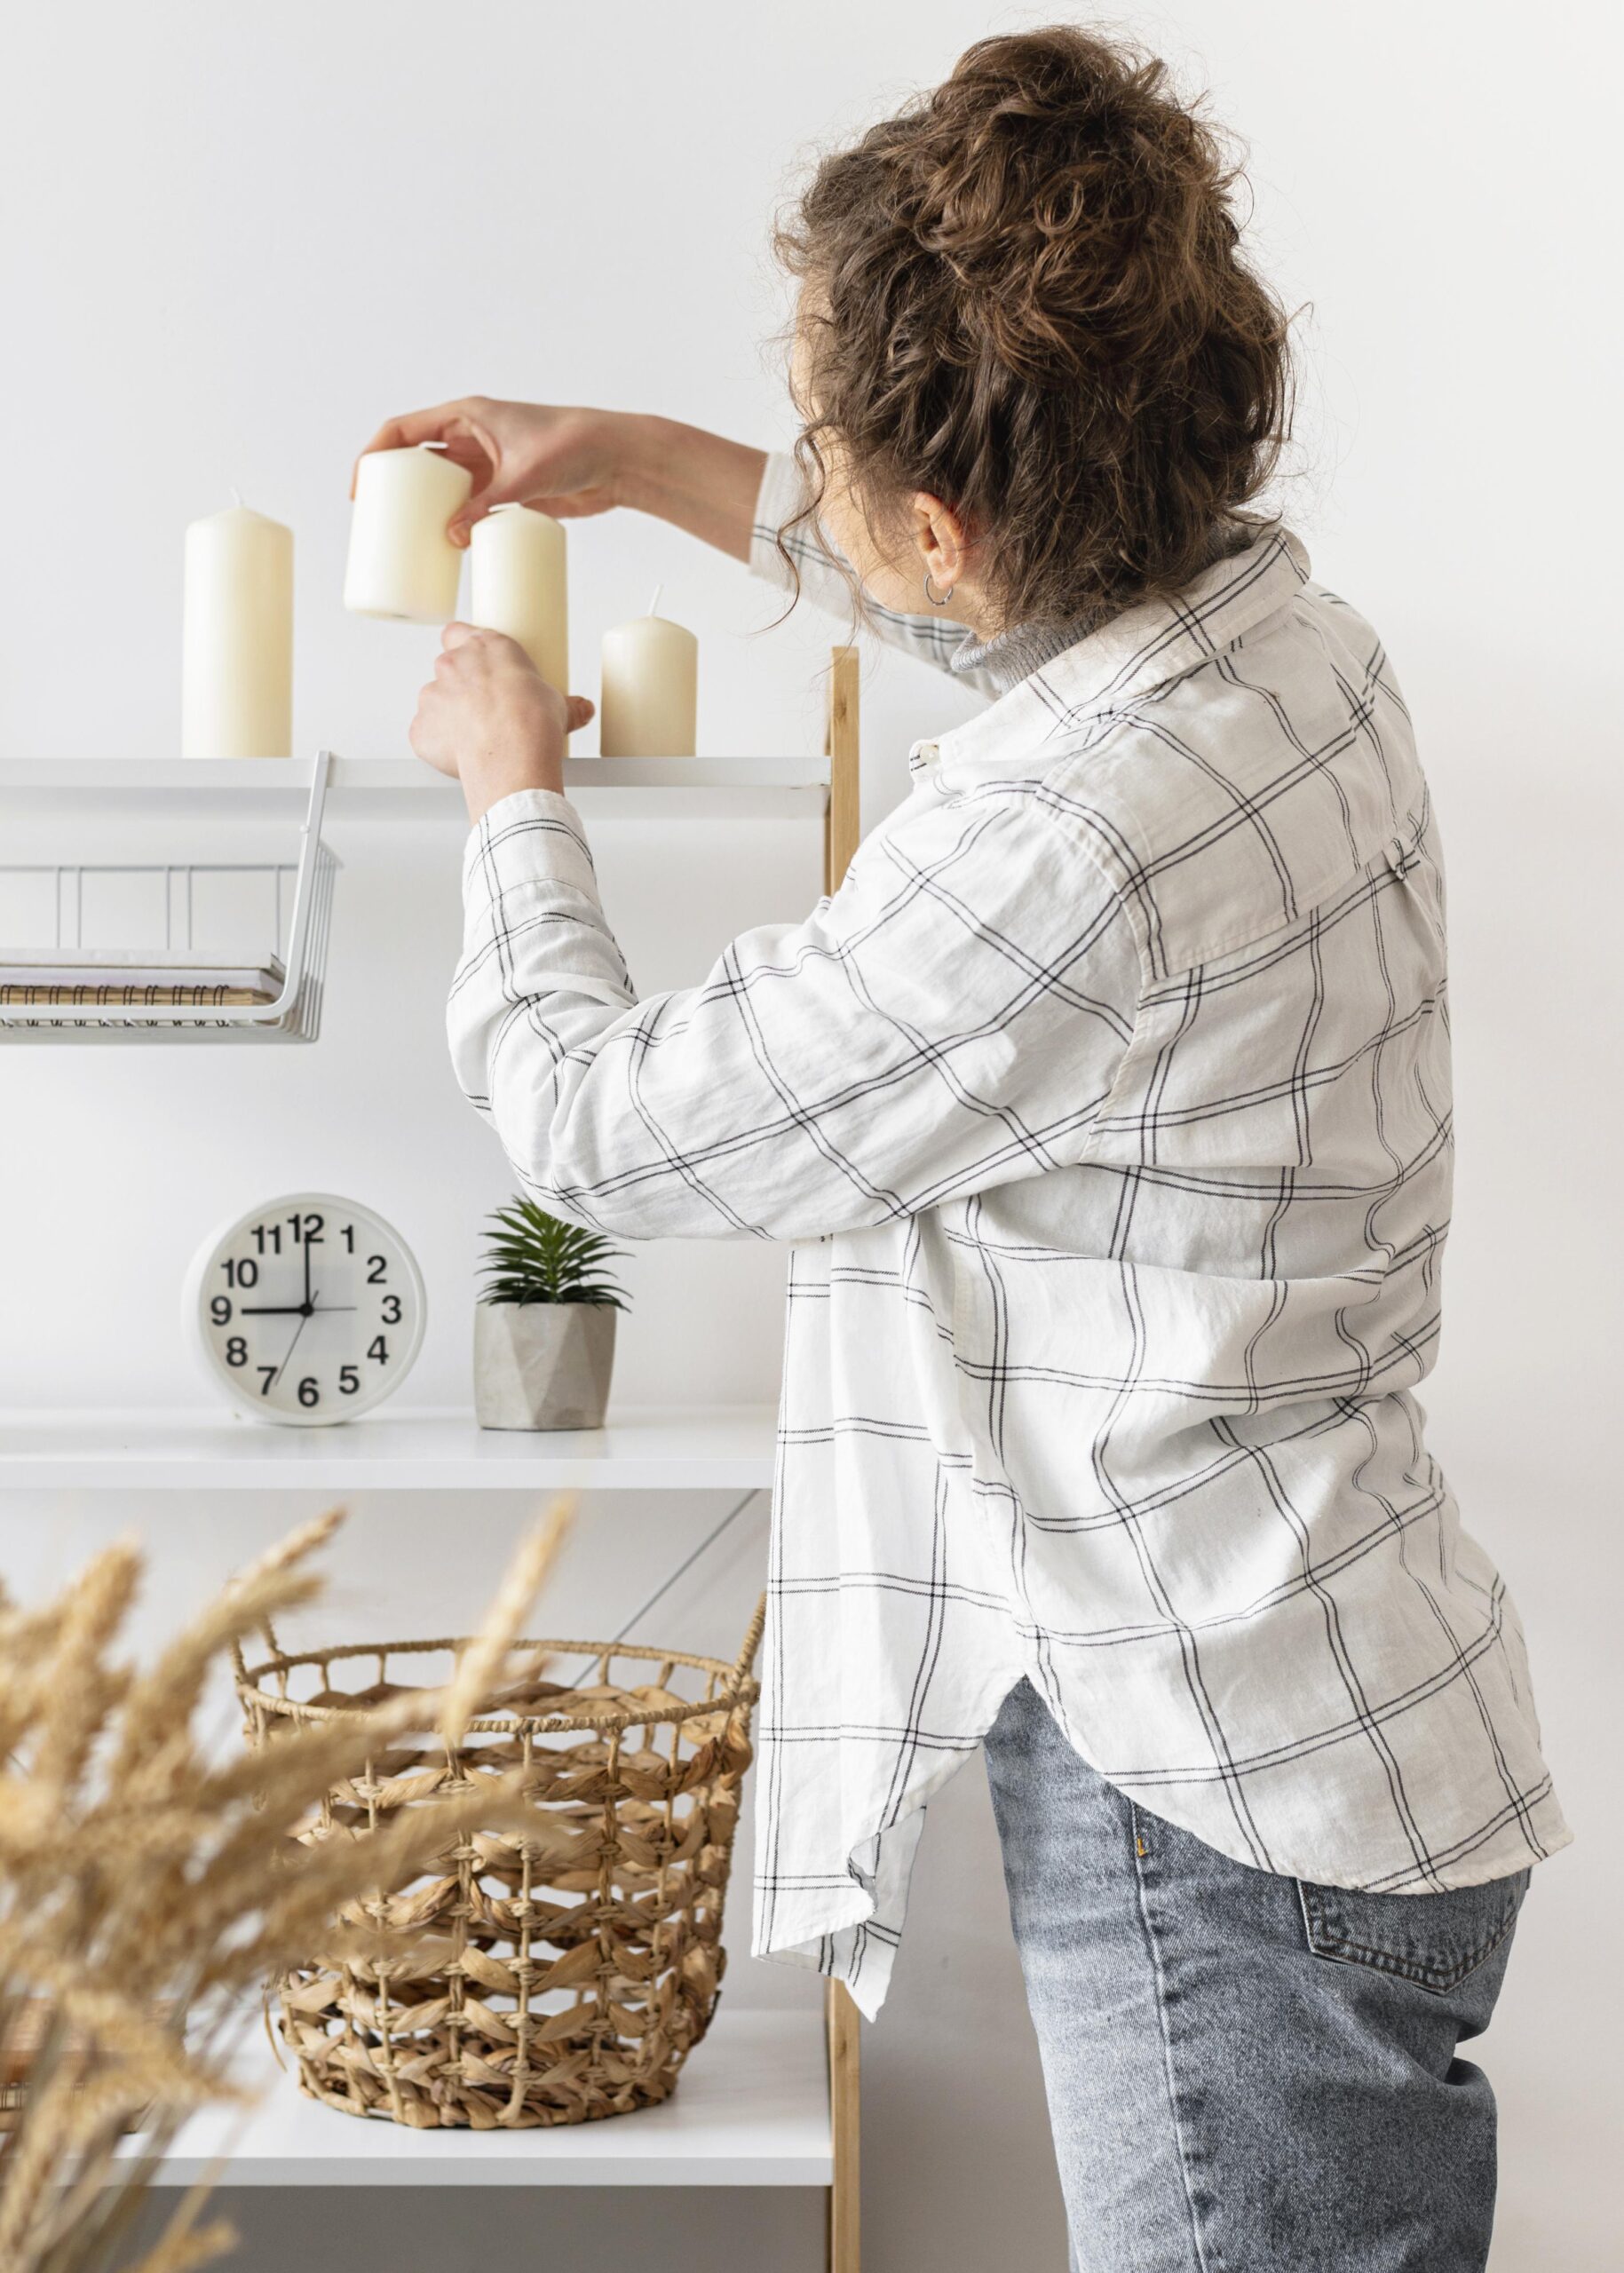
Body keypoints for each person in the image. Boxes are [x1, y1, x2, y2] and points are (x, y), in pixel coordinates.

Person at [365, 28, 1569, 2270]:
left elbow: (600, 1121)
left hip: (1211, 1815)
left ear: (945, 515)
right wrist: (630, 463)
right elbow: (1007, 595)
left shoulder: (1054, 845)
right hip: (1349, 1712)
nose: (813, 478)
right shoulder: (1291, 646)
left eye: (825, 448)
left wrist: (507, 788)